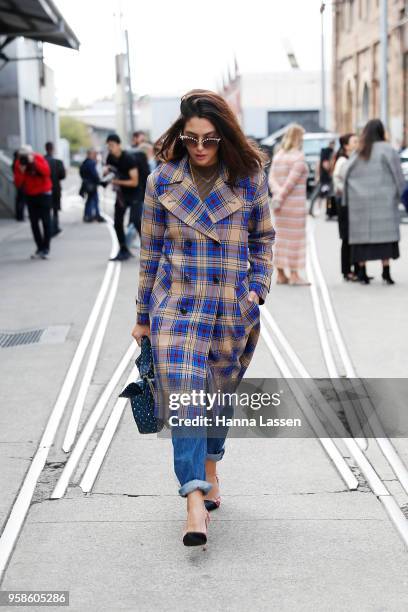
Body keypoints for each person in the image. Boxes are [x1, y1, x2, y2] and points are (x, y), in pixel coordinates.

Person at [131, 89, 275, 547]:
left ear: (225, 136)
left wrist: (255, 292)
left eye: (210, 140)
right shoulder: (162, 182)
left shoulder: (249, 178)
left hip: (231, 309)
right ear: (180, 134)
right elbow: (150, 252)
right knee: (186, 400)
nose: (199, 148)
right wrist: (141, 317)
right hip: (176, 307)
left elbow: (264, 241)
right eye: (191, 138)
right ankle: (193, 498)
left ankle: (212, 462)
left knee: (216, 396)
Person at [343, 118, 405, 285]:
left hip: (360, 205)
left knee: (362, 239)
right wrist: (402, 195)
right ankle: (386, 271)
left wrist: (347, 199)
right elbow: (398, 176)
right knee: (385, 239)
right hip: (384, 203)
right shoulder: (388, 150)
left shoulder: (359, 151)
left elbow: (345, 173)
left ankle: (362, 272)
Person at [268, 123, 310, 286]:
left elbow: (271, 177)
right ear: (298, 138)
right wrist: (282, 194)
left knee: (281, 239)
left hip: (280, 208)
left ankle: (280, 274)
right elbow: (291, 182)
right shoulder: (298, 157)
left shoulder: (279, 155)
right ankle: (294, 275)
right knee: (295, 240)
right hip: (295, 206)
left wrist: (277, 196)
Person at [13, 145, 53, 259]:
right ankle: (39, 247)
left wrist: (34, 162)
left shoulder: (38, 158)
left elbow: (47, 172)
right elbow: (18, 183)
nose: (24, 157)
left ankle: (46, 248)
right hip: (30, 195)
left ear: (31, 153)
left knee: (46, 221)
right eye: (22, 156)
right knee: (34, 223)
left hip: (44, 193)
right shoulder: (19, 163)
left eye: (26, 155)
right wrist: (21, 171)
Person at [105, 134, 140, 261]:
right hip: (121, 195)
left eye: (112, 145)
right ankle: (123, 250)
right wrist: (106, 172)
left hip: (135, 193)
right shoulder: (110, 157)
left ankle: (151, 252)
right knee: (117, 223)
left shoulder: (128, 158)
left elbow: (134, 181)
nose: (110, 148)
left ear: (119, 145)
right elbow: (109, 170)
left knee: (137, 222)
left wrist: (116, 182)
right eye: (108, 146)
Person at [332, 133, 359, 281]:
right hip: (344, 203)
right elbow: (338, 182)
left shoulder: (349, 159)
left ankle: (351, 269)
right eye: (354, 141)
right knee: (347, 238)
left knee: (350, 237)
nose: (357, 143)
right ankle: (347, 271)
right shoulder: (343, 161)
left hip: (347, 202)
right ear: (346, 145)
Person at [309, 139, 335, 217]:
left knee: (329, 196)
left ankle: (329, 211)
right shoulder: (327, 152)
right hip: (325, 178)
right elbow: (324, 165)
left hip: (326, 177)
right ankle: (312, 210)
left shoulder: (327, 152)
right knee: (319, 195)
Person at [44, 142, 66, 236]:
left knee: (46, 210)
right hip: (55, 188)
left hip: (44, 189)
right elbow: (62, 175)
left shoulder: (42, 160)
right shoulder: (58, 162)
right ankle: (55, 227)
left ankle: (48, 228)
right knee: (55, 209)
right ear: (52, 149)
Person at [79, 149, 106, 223]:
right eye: (94, 154)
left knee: (90, 200)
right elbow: (94, 174)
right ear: (90, 154)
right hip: (92, 184)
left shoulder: (84, 162)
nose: (95, 156)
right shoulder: (91, 163)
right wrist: (99, 180)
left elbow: (81, 173)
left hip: (87, 184)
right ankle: (94, 215)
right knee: (94, 200)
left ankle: (88, 215)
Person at [12, 150, 26, 221]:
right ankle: (20, 216)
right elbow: (23, 170)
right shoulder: (18, 162)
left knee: (18, 200)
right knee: (21, 200)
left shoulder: (15, 162)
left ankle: (18, 216)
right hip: (21, 182)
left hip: (18, 182)